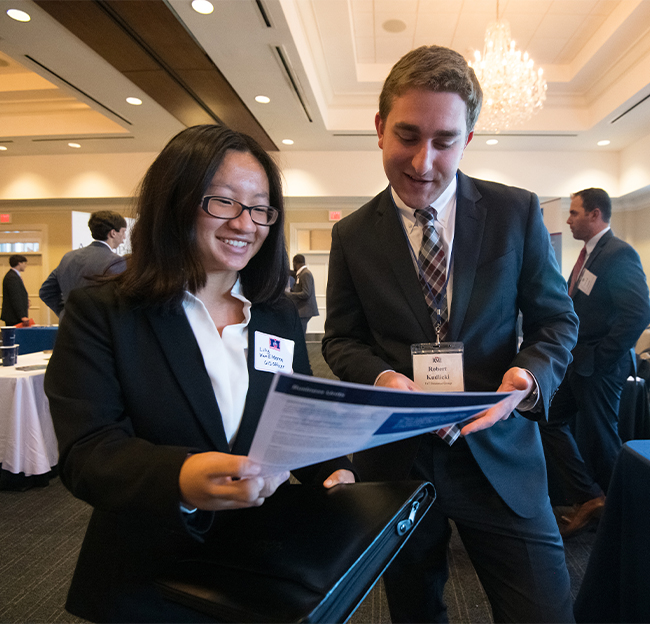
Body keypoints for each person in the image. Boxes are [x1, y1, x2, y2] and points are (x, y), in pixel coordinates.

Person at [44, 125, 355, 623]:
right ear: (176, 202)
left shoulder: (275, 315)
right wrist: (182, 478)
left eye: (259, 207)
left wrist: (332, 469)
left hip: (261, 569)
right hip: (147, 577)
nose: (245, 223)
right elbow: (87, 453)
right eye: (224, 202)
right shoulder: (104, 312)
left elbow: (295, 416)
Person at [322, 45, 579, 623]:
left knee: (545, 612)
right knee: (415, 611)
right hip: (399, 456)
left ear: (467, 139)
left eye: (444, 141)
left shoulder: (515, 213)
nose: (423, 161)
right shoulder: (355, 235)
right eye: (408, 136)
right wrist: (384, 376)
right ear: (380, 128)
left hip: (501, 451)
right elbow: (341, 339)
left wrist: (524, 379)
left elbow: (556, 319)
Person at [539, 188, 650, 538]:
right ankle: (590, 497)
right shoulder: (591, 254)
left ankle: (632, 516)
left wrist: (601, 358)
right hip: (579, 363)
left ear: (595, 214)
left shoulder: (617, 254)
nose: (568, 220)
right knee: (549, 420)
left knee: (603, 440)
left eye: (574, 213)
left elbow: (638, 312)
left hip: (600, 367)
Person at [39, 210, 127, 317]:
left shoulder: (68, 258)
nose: (124, 238)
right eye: (123, 232)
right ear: (113, 233)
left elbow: (46, 291)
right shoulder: (117, 262)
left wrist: (65, 313)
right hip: (100, 330)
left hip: (68, 328)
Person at [287, 254, 319, 335]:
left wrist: (290, 294)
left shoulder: (305, 274)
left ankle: (301, 347)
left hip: (305, 310)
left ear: (295, 263)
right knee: (299, 333)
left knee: (300, 334)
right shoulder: (301, 274)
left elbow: (306, 293)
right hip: (302, 310)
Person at [1, 254, 29, 326]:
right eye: (24, 263)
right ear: (19, 263)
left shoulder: (14, 276)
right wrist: (22, 315)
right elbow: (15, 297)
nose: (25, 265)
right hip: (13, 317)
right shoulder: (12, 277)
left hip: (15, 315)